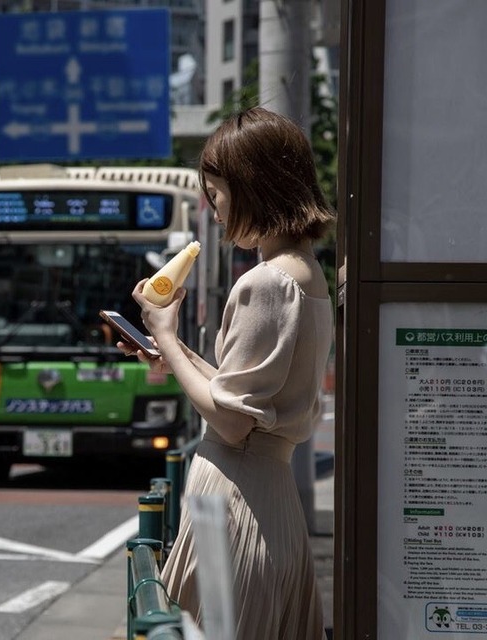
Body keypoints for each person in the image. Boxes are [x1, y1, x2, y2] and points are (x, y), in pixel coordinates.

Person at [118, 106, 336, 640]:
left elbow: (234, 421)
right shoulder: (308, 275)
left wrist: (166, 336)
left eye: (217, 196)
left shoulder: (264, 282)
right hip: (271, 496)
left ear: (252, 188)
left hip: (236, 500)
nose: (214, 212)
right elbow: (248, 393)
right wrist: (174, 355)